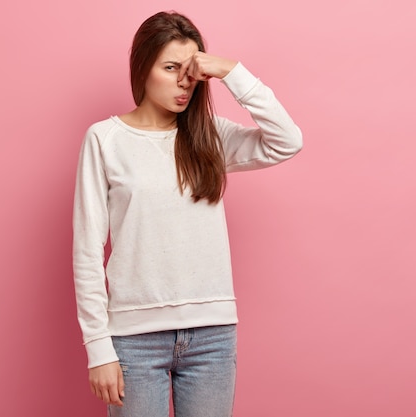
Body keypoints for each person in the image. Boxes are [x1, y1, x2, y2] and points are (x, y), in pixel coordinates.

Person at [72, 10, 303, 417]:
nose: (184, 83)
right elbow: (88, 251)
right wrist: (98, 348)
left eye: (192, 71)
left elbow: (287, 141)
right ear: (143, 67)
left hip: (212, 337)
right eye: (171, 68)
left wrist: (232, 72)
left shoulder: (210, 135)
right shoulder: (106, 140)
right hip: (134, 340)